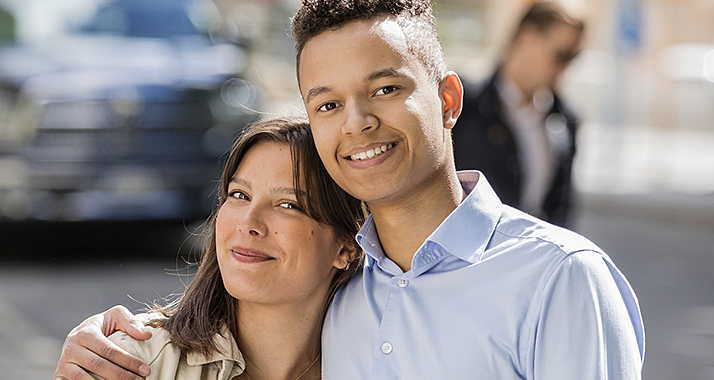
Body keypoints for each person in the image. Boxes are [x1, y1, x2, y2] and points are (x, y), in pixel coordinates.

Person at [54, 1, 645, 379]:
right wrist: (100, 350)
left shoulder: (560, 278)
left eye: (385, 89)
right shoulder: (335, 289)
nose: (356, 122)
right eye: (328, 104)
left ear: (447, 101)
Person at [54, 117, 365, 380]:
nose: (248, 222)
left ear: (346, 247)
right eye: (239, 195)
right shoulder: (131, 361)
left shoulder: (381, 364)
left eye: (288, 204)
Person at [452, 0, 585, 227]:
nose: (565, 68)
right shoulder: (466, 106)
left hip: (531, 255)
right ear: (528, 36)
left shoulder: (563, 119)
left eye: (573, 57)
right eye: (560, 54)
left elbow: (560, 208)